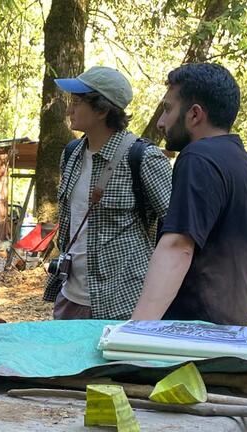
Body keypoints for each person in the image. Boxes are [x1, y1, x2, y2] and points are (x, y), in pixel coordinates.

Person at [131, 63, 247, 325]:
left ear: (194, 114)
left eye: (167, 109)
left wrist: (135, 330)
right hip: (232, 323)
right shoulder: (244, 162)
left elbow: (178, 248)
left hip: (192, 329)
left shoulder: (197, 157)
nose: (162, 122)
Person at [43, 66, 173, 320]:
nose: (69, 109)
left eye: (77, 102)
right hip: (70, 297)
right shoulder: (71, 154)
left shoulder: (144, 158)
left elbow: (176, 231)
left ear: (102, 110)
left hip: (122, 303)